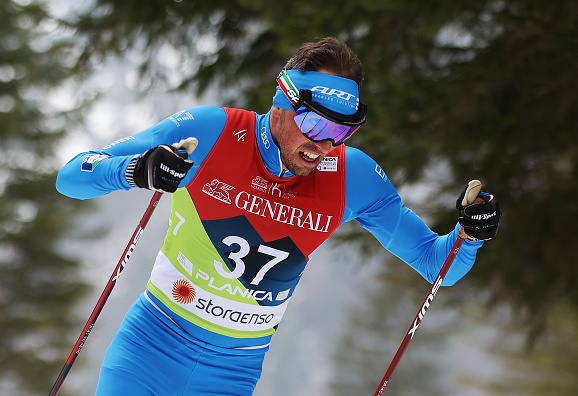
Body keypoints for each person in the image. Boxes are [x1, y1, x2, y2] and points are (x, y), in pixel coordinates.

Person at [56, 37, 501, 395]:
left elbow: (435, 263)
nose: (324, 145)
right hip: (150, 349)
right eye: (315, 125)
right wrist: (136, 169)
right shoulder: (213, 131)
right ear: (282, 102)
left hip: (232, 372)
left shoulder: (352, 176)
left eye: (342, 131)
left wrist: (470, 234)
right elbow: (72, 175)